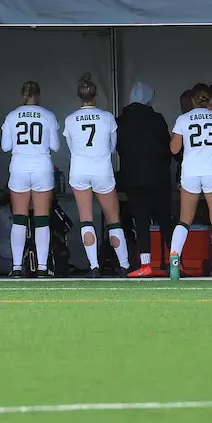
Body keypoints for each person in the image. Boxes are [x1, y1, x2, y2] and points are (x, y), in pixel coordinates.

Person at [63, 73, 129, 277]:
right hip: (102, 170)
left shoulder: (70, 119)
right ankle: (124, 265)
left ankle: (93, 266)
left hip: (80, 170)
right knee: (113, 220)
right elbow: (112, 147)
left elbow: (71, 147)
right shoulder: (107, 117)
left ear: (79, 96)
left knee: (86, 219)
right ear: (95, 95)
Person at [167, 83, 212, 279]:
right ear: (208, 100)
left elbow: (173, 149)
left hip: (191, 172)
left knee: (184, 219)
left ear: (193, 100)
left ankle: (174, 261)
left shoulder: (183, 119)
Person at [0, 80, 60, 277]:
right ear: (39, 95)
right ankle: (42, 267)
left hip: (19, 168)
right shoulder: (48, 115)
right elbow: (56, 146)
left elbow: (5, 147)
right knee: (42, 220)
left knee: (19, 219)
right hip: (42, 167)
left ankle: (17, 266)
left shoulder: (11, 116)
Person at [115, 82, 173, 278]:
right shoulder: (157, 119)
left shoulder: (121, 120)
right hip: (158, 177)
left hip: (133, 177)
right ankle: (176, 262)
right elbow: (168, 147)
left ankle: (145, 264)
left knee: (140, 222)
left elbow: (118, 148)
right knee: (166, 220)